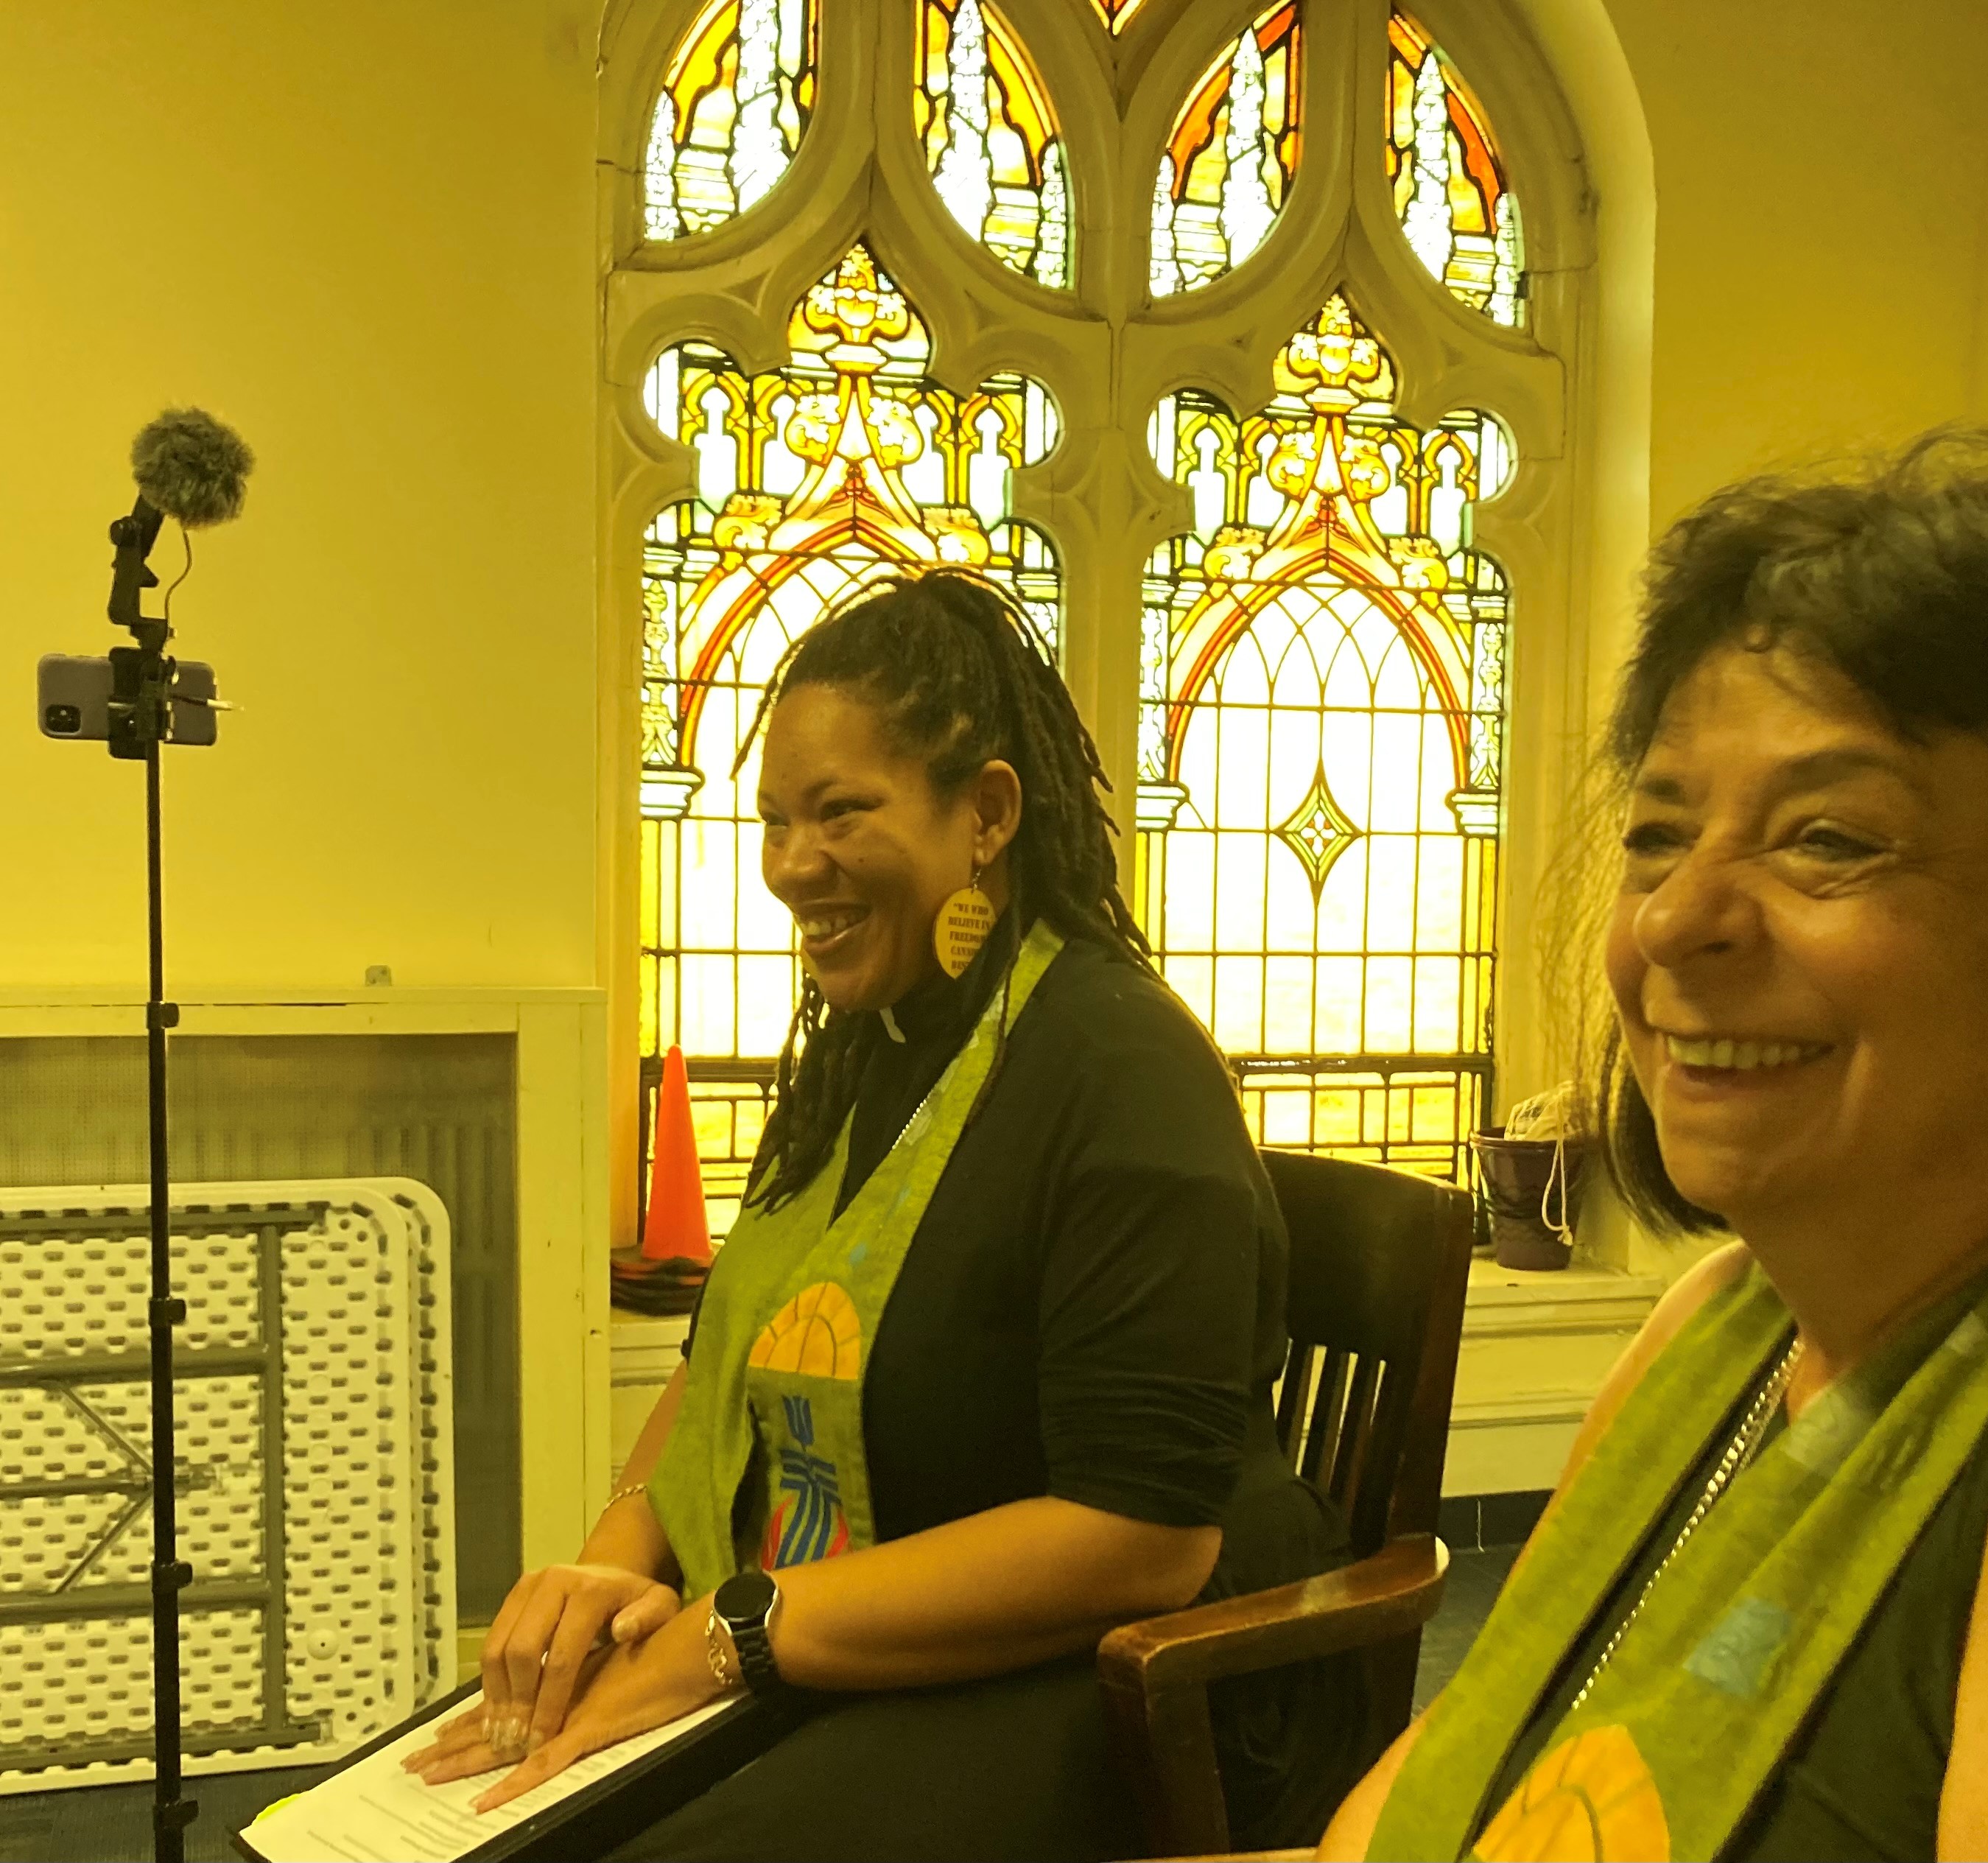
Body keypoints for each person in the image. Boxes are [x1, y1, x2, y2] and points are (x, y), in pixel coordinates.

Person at [1322, 429, 1988, 1862]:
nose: (1672, 920)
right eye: (1658, 835)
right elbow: (1431, 1803)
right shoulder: (1711, 1330)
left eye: (1829, 838)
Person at [406, 569, 1368, 1858]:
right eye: (775, 821)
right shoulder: (865, 1053)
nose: (797, 864)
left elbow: (1140, 1538)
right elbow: (724, 1364)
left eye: (842, 812)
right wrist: (615, 1569)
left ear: (986, 813)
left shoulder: (1119, 1066)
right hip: (850, 1617)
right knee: (478, 1799)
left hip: (1130, 1671)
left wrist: (734, 1628)